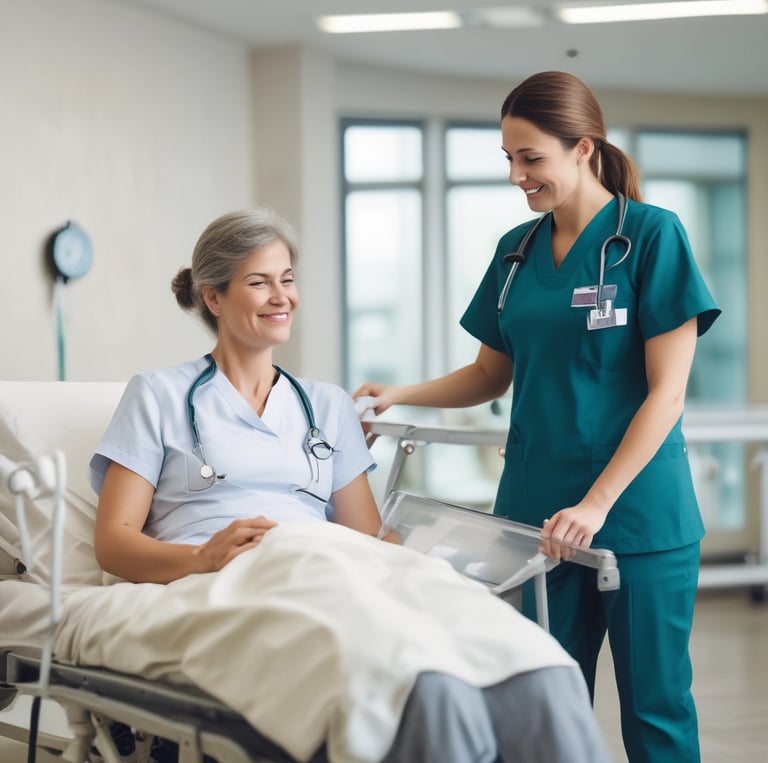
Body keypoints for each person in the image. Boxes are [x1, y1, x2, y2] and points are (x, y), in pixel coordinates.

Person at [89, 207, 612, 763]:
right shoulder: (158, 395)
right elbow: (113, 543)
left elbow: (365, 536)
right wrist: (200, 557)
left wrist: (423, 570)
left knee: (531, 666)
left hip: (319, 556)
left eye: (287, 279)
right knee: (422, 680)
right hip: (232, 572)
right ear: (213, 298)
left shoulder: (327, 405)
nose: (281, 296)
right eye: (259, 282)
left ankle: (518, 670)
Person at [354, 71, 721, 763]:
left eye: (532, 158)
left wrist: (597, 501)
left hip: (638, 515)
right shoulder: (516, 252)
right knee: (539, 703)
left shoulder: (650, 237)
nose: (518, 176)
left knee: (657, 709)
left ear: (583, 148)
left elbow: (666, 394)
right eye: (510, 159)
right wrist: (401, 393)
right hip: (532, 518)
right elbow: (489, 374)